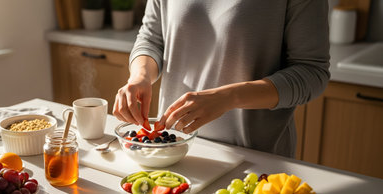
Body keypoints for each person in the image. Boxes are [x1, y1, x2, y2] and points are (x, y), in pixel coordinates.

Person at [113, 0, 330, 158]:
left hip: (254, 159)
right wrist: (140, 75)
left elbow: (311, 71)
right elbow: (152, 38)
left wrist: (228, 97)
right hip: (173, 148)